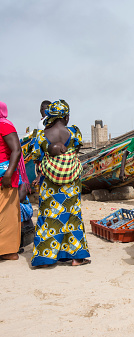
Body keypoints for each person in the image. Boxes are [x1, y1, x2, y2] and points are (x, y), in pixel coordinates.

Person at [31, 100, 90, 267]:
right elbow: (75, 152)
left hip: (49, 183)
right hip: (71, 182)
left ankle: (45, 259)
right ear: (66, 116)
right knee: (72, 217)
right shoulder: (74, 133)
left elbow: (37, 158)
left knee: (49, 218)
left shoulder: (41, 135)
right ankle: (76, 257)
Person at [0, 101, 23, 261]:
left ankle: (8, 251)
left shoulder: (5, 125)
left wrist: (8, 173)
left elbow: (16, 149)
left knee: (7, 214)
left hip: (4, 176)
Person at [18, 181, 33, 253]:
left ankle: (18, 241)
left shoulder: (22, 180)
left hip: (24, 208)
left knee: (16, 206)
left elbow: (20, 199)